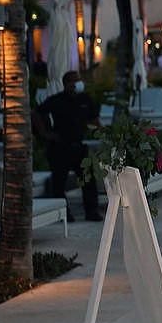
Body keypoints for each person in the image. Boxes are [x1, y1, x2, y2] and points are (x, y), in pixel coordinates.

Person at [32, 70, 102, 221]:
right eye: (74, 81)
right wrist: (45, 133)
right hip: (60, 147)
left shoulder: (85, 99)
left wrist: (105, 134)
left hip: (78, 146)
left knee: (88, 180)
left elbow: (94, 120)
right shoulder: (57, 100)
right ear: (67, 84)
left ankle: (91, 211)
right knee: (59, 182)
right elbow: (37, 113)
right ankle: (64, 214)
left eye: (78, 80)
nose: (77, 83)